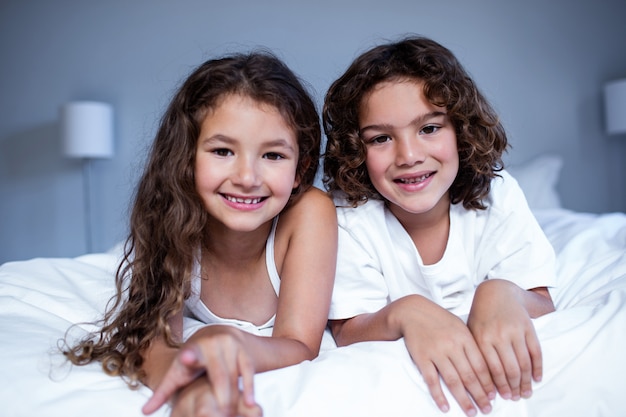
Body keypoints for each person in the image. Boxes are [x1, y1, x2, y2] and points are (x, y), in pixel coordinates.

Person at [63, 51, 337, 417]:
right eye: (222, 151)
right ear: (186, 160)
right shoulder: (174, 214)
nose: (246, 177)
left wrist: (227, 341)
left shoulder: (309, 213)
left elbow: (300, 344)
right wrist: (191, 384)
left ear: (301, 168)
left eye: (272, 156)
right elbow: (153, 339)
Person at [322, 36, 556, 417]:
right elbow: (348, 328)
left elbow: (542, 300)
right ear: (356, 150)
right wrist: (406, 311)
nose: (410, 156)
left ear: (461, 131)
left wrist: (502, 294)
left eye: (429, 129)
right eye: (381, 138)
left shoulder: (499, 194)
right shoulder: (347, 217)